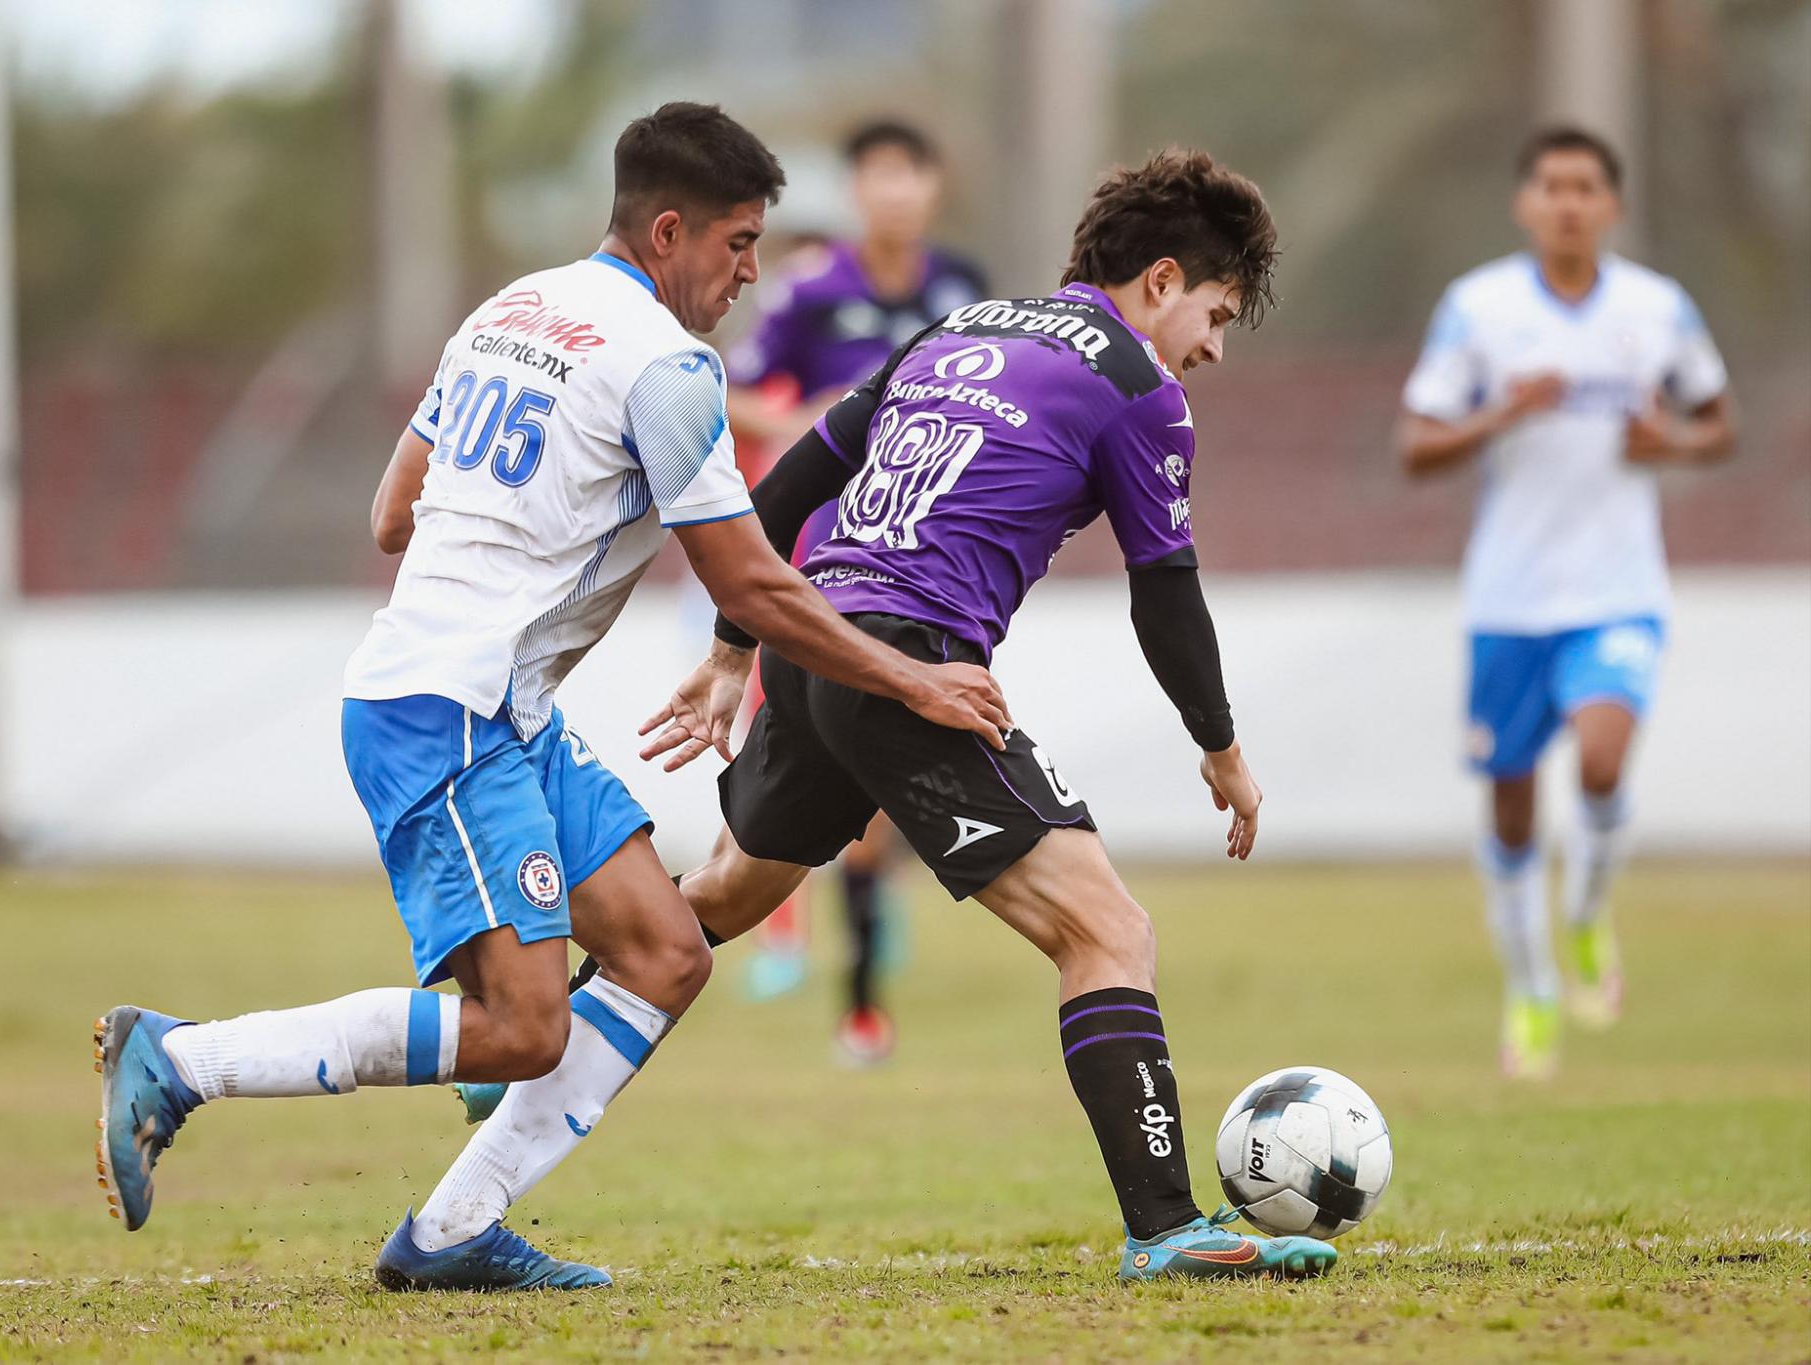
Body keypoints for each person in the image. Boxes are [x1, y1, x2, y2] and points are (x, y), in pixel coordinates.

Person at [91, 101, 1008, 1293]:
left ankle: (451, 1231)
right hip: (448, 712)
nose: (748, 273)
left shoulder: (509, 309)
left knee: (667, 953)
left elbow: (388, 517)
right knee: (524, 1028)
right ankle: (182, 1059)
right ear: (669, 232)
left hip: (493, 708)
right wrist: (914, 682)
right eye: (736, 244)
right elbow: (749, 582)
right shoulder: (669, 366)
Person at [451, 148, 1344, 1282]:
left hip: (813, 648)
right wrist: (1220, 751)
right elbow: (1162, 589)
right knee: (1107, 934)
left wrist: (736, 649)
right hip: (910, 669)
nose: (1210, 348)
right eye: (1215, 314)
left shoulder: (962, 327)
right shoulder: (1139, 389)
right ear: (1160, 282)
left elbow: (780, 487)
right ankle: (1168, 1228)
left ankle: (525, 1034)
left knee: (724, 896)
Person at [1396, 126, 1735, 1080]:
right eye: (1552, 186)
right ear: (1525, 204)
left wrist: (1668, 442)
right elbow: (1415, 447)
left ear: (1613, 206)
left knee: (1600, 756)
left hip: (1619, 589)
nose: (1569, 203)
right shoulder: (1480, 309)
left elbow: (1719, 421)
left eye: (1586, 187)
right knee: (1510, 807)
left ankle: (1586, 912)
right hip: (1508, 598)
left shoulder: (1656, 308)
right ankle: (1532, 982)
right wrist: (1506, 410)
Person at [724, 119, 989, 1062]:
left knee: (883, 793)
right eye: (875, 178)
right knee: (828, 776)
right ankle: (823, 973)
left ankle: (857, 987)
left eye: (909, 176)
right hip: (815, 558)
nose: (894, 194)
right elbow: (733, 389)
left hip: (927, 567)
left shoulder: (964, 289)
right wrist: (803, 419)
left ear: (932, 187)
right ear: (856, 190)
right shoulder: (810, 290)